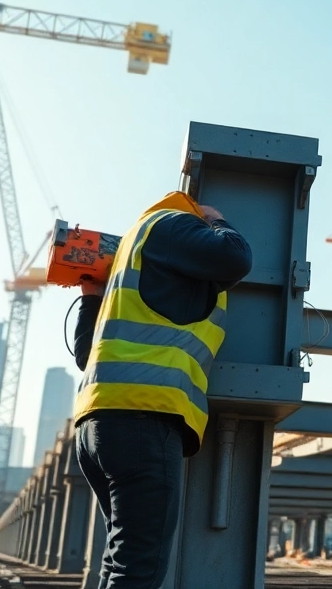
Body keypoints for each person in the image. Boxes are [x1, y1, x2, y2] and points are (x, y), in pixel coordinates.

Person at [70, 191, 253, 589]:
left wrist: (90, 299)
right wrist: (216, 218)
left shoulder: (129, 266)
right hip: (143, 419)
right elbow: (235, 257)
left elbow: (86, 354)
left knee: (122, 562)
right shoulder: (170, 223)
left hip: (95, 427)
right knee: (140, 569)